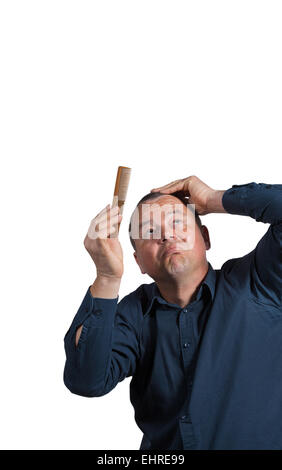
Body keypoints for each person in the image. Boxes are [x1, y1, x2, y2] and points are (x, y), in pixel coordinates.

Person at [63, 175, 282, 450]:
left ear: (205, 238)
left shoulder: (257, 281)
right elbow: (86, 380)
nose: (166, 235)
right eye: (150, 231)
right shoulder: (134, 314)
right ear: (138, 262)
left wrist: (214, 199)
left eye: (178, 223)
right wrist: (106, 277)